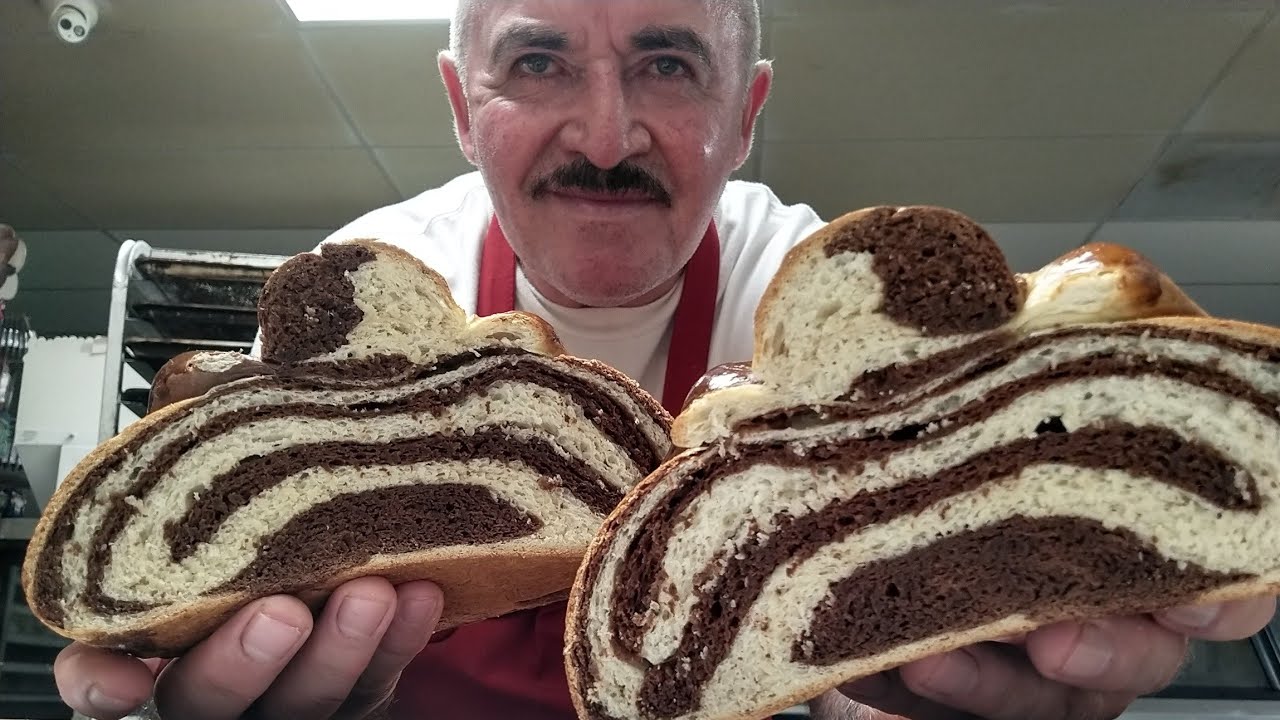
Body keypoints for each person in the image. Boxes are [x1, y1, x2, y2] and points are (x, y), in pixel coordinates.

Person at [54, 2, 1277, 719]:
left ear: (744, 113)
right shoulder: (366, 292)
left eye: (666, 62)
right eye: (536, 62)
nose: (603, 132)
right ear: (458, 103)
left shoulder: (820, 306)